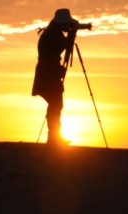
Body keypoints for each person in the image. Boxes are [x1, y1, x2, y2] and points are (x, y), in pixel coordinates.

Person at [33, 9, 93, 145]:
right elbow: (64, 45)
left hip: (49, 70)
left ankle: (54, 136)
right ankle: (54, 137)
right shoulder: (53, 35)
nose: (68, 27)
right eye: (67, 24)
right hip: (49, 71)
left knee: (55, 104)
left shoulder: (52, 32)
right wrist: (72, 34)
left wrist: (79, 28)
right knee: (56, 103)